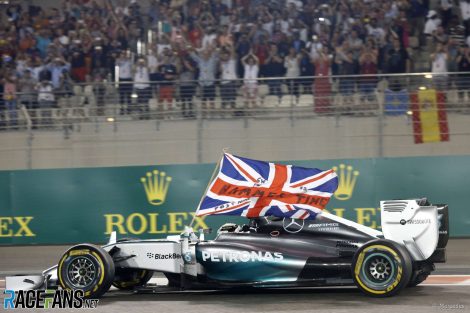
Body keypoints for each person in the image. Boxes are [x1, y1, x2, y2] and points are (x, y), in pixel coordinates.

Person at [189, 46, 219, 115]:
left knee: (212, 99)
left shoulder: (212, 60)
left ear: (209, 54)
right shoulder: (200, 60)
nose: (205, 55)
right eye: (204, 54)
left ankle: (212, 113)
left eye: (206, 54)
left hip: (211, 83)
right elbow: (192, 55)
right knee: (203, 100)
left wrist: (212, 48)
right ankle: (204, 113)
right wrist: (191, 47)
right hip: (202, 83)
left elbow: (216, 53)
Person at [312, 46, 331, 113]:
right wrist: (317, 53)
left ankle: (325, 109)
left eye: (326, 49)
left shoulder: (329, 57)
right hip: (318, 78)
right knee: (318, 93)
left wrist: (322, 54)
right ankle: (318, 109)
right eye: (323, 49)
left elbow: (327, 61)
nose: (324, 50)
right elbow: (313, 61)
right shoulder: (318, 58)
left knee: (325, 94)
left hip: (325, 78)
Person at [219, 44, 238, 113]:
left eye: (227, 55)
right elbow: (220, 71)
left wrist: (230, 45)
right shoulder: (221, 63)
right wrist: (222, 48)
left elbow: (232, 52)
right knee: (223, 98)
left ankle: (233, 111)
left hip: (231, 81)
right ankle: (223, 112)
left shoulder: (232, 61)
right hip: (224, 82)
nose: (225, 57)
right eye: (224, 56)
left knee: (232, 98)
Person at [116, 50, 133, 115]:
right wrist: (121, 59)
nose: (123, 55)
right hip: (121, 79)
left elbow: (132, 67)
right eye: (122, 54)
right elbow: (117, 64)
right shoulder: (118, 61)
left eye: (124, 54)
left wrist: (127, 59)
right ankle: (122, 109)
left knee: (129, 96)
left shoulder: (129, 61)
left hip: (128, 79)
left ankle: (129, 109)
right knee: (122, 96)